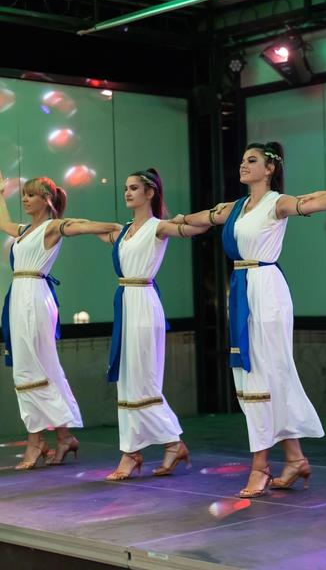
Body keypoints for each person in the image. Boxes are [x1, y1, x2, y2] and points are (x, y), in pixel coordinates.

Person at [172, 141, 326, 498]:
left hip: (266, 290)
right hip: (243, 289)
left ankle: (260, 466)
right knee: (260, 375)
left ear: (269, 169)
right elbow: (203, 218)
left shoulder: (275, 203)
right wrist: (174, 222)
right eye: (242, 160)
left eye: (252, 160)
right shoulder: (235, 208)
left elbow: (312, 201)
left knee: (265, 374)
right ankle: (294, 458)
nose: (243, 165)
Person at [0, 175, 119, 469]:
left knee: (37, 367)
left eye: (31, 195)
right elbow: (3, 223)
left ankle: (36, 441)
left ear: (46, 200)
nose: (25, 200)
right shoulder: (25, 230)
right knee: (31, 368)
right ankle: (61, 437)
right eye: (24, 196)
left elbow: (82, 225)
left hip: (35, 299)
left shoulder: (52, 227)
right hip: (19, 297)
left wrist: (119, 229)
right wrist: (1, 193)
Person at [98, 168, 209, 481]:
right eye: (126, 188)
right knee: (127, 381)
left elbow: (191, 229)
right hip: (126, 303)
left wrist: (210, 217)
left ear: (150, 193)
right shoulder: (123, 232)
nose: (128, 193)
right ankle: (134, 451)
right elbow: (85, 229)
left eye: (134, 188)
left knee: (144, 381)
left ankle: (169, 442)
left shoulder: (157, 227)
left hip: (145, 304)